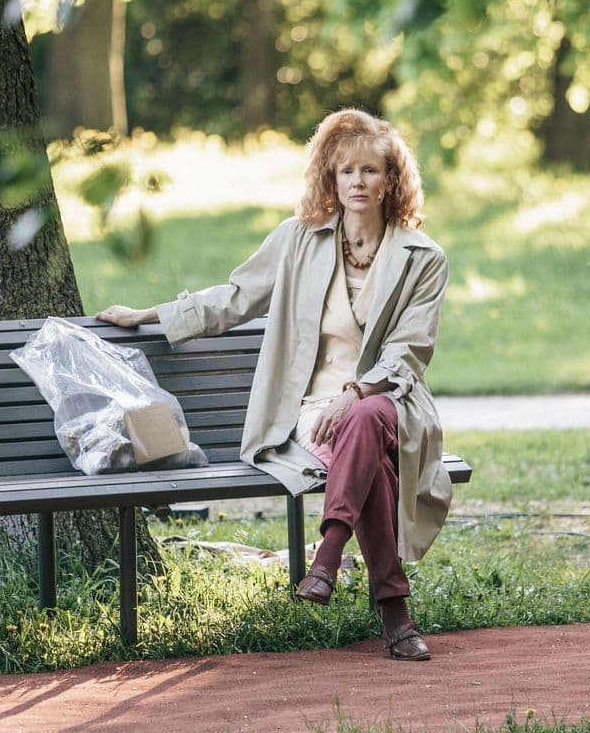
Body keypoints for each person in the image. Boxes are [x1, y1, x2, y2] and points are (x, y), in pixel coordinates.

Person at [96, 109, 451, 662]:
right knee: (369, 458)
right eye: (347, 171)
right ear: (332, 178)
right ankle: (394, 613)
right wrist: (153, 315)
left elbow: (407, 353)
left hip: (389, 403)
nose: (358, 182)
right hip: (309, 414)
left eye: (370, 171)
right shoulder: (297, 240)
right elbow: (235, 297)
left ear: (391, 181)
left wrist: (355, 393)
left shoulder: (423, 259)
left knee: (363, 418)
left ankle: (328, 555)